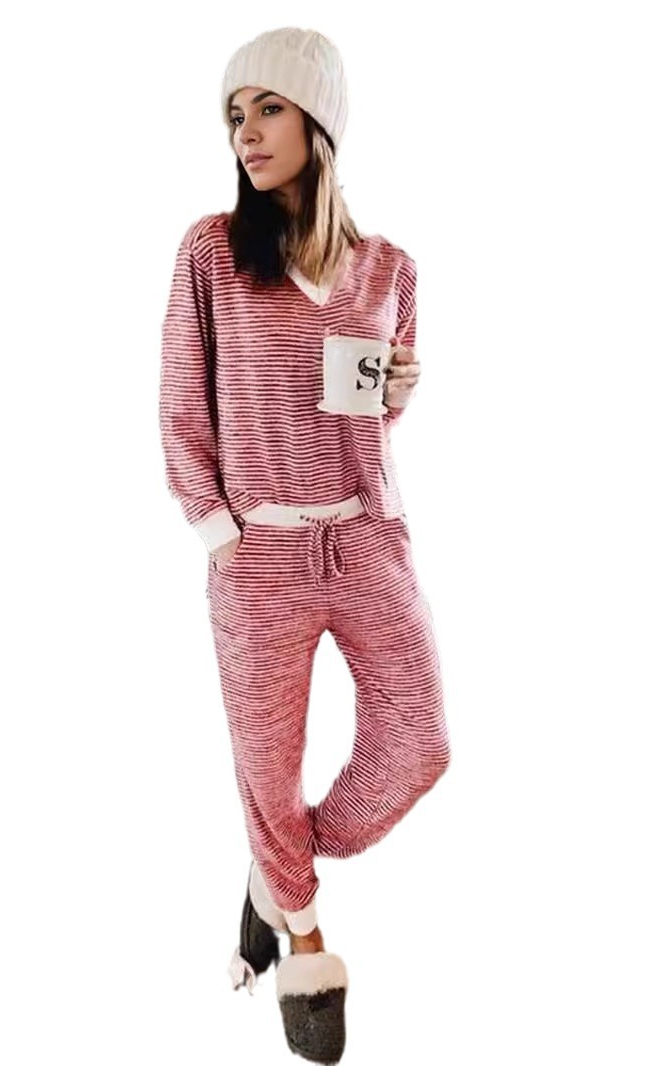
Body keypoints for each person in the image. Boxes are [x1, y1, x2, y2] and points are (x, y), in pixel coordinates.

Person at [158, 26, 451, 1064]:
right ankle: (307, 939)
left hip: (369, 536)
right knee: (266, 764)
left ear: (319, 119)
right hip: (260, 554)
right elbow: (182, 408)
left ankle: (272, 862)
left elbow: (362, 418)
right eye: (235, 116)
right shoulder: (211, 253)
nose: (246, 132)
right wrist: (218, 532)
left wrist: (397, 393)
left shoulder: (390, 268)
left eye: (268, 108)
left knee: (421, 745)